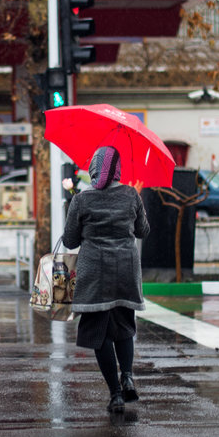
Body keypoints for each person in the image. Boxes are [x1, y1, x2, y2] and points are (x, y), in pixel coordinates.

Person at [62, 145, 149, 414]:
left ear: (94, 169)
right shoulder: (131, 195)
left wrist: (72, 204)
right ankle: (128, 377)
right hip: (125, 272)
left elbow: (70, 240)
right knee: (124, 328)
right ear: (117, 169)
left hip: (95, 277)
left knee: (100, 336)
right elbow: (142, 231)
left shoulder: (81, 200)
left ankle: (115, 394)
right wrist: (135, 204)